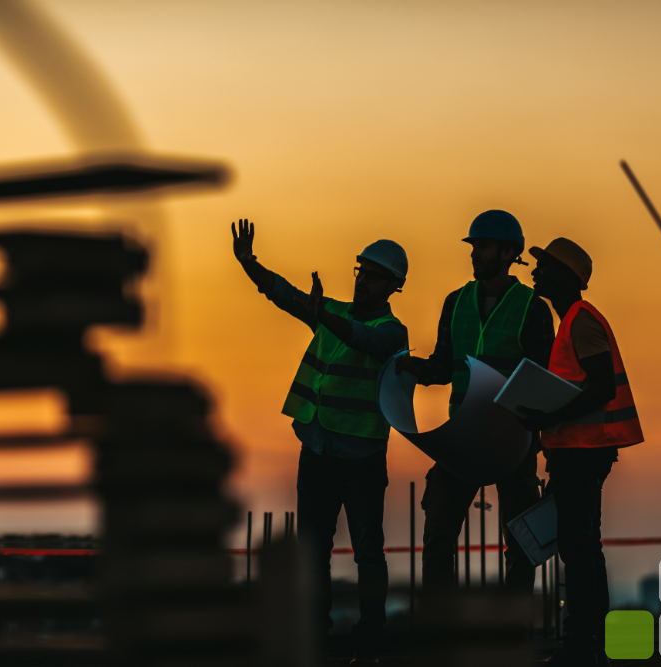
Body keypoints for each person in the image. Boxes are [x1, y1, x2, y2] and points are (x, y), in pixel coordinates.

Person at [231, 218, 409, 664]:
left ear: (393, 286)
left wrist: (323, 314)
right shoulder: (329, 311)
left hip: (361, 456)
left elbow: (363, 339)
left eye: (372, 275)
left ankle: (371, 640)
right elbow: (286, 295)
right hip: (317, 448)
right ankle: (315, 636)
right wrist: (250, 264)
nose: (363, 280)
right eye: (360, 271)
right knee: (313, 550)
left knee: (368, 551)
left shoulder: (394, 332)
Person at [394, 210, 555, 598]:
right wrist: (418, 370)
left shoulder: (531, 307)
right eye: (474, 247)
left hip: (513, 440)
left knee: (520, 542)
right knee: (437, 537)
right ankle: (443, 634)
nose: (474, 254)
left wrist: (538, 443)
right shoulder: (456, 303)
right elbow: (446, 365)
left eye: (482, 247)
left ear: (507, 253)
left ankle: (510, 635)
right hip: (463, 439)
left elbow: (543, 382)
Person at [516, 238, 644, 667]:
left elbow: (601, 386)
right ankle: (590, 639)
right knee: (585, 543)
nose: (535, 273)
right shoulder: (571, 321)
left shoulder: (581, 320)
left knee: (578, 545)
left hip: (584, 451)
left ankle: (582, 640)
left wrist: (546, 415)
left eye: (544, 266)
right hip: (579, 450)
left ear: (567, 276)